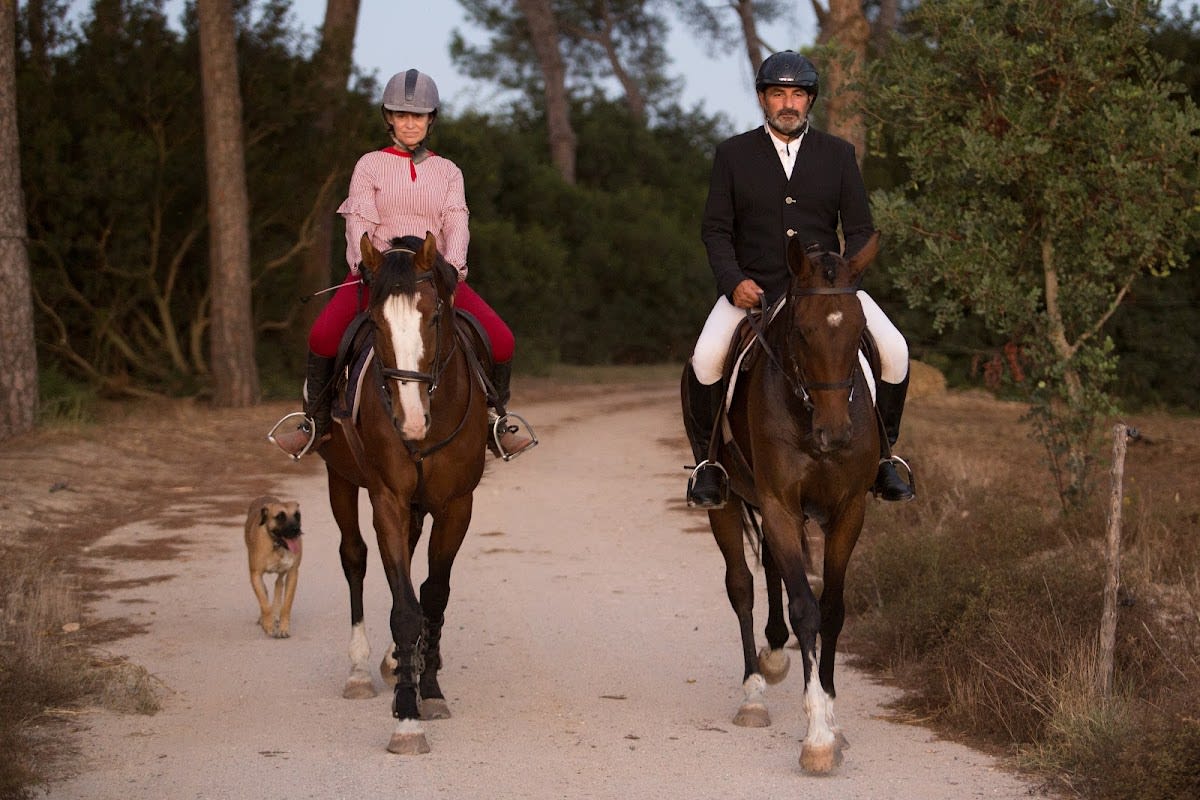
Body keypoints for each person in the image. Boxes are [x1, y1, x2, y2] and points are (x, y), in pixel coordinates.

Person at [684, 50, 914, 508]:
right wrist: (733, 282)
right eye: (777, 94)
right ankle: (708, 466)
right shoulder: (732, 154)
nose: (787, 103)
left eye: (797, 95)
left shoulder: (838, 154)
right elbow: (716, 230)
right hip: (754, 290)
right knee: (706, 360)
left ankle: (885, 459)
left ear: (810, 101)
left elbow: (862, 228)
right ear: (762, 99)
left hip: (827, 290)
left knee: (895, 351)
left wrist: (844, 274)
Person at [271, 69, 536, 461]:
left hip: (434, 275)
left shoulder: (448, 171)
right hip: (379, 274)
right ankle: (317, 423)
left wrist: (455, 268)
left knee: (502, 340)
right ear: (388, 118)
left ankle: (495, 423)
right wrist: (365, 265)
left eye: (418, 115)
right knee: (323, 337)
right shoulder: (370, 165)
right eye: (401, 114)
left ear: (431, 120)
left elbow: (456, 220)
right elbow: (358, 220)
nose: (410, 123)